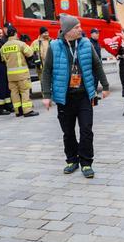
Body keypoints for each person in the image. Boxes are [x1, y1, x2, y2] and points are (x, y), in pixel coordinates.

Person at [41, 15, 110, 178]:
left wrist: (105, 86)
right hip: (64, 97)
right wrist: (46, 95)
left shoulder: (86, 44)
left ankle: (86, 163)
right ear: (67, 31)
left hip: (85, 95)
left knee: (86, 130)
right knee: (68, 131)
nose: (81, 29)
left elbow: (97, 64)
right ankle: (72, 160)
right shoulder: (54, 46)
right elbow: (47, 71)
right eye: (77, 27)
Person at [0, 26, 38, 117]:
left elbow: (3, 59)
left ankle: (18, 111)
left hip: (10, 75)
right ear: (15, 33)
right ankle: (27, 111)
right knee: (25, 91)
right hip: (22, 74)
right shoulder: (20, 44)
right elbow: (30, 53)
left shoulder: (3, 47)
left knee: (14, 93)